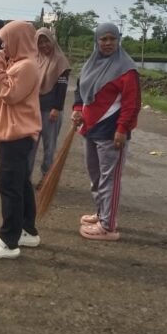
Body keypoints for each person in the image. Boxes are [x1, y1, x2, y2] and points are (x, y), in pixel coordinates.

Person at [0, 21, 42, 260]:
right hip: (17, 131)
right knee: (21, 184)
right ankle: (27, 229)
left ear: (17, 40)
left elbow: (9, 93)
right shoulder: (19, 63)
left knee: (10, 186)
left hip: (17, 134)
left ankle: (8, 241)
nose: (2, 45)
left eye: (5, 40)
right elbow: (10, 98)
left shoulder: (26, 66)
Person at [72, 22, 141, 241]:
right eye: (104, 39)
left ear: (119, 40)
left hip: (111, 133)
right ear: (97, 41)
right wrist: (77, 110)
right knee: (95, 176)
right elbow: (80, 91)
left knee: (109, 179)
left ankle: (108, 227)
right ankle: (102, 213)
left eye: (112, 38)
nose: (108, 43)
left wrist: (122, 129)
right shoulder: (91, 65)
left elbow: (132, 104)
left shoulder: (126, 69)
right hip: (90, 130)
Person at [29, 28, 71, 189]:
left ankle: (46, 179)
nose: (44, 45)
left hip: (50, 112)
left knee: (49, 148)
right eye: (40, 42)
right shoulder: (35, 59)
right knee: (30, 147)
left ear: (52, 40)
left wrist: (56, 108)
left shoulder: (60, 61)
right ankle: (26, 178)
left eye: (46, 40)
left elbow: (62, 88)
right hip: (34, 110)